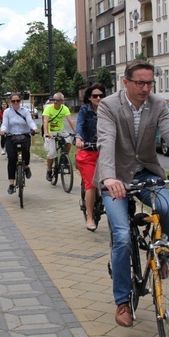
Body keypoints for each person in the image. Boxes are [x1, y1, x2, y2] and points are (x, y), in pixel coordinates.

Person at [95, 60, 169, 328]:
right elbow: (106, 141)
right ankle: (122, 302)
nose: (145, 88)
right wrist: (108, 177)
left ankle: (160, 248)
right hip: (115, 176)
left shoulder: (158, 104)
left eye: (149, 83)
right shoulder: (109, 105)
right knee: (121, 236)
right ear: (126, 82)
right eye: (140, 83)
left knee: (167, 209)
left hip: (146, 173)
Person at [75, 83, 106, 231]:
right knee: (91, 184)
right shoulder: (84, 110)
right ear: (89, 97)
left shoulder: (107, 111)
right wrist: (79, 138)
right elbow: (79, 125)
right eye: (95, 96)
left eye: (101, 95)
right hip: (87, 152)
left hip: (103, 152)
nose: (98, 98)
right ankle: (89, 217)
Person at [0, 93, 38, 194]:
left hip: (24, 135)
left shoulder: (25, 111)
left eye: (17, 101)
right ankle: (11, 184)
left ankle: (26, 167)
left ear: (20, 101)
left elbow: (30, 121)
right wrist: (3, 130)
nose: (16, 103)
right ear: (10, 102)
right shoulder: (7, 112)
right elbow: (4, 123)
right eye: (13, 101)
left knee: (26, 151)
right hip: (11, 137)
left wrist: (34, 128)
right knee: (12, 158)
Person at [42, 92, 76, 182]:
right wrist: (46, 133)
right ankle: (49, 170)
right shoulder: (48, 108)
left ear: (62, 101)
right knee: (52, 153)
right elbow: (45, 121)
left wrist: (77, 132)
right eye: (54, 100)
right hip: (50, 132)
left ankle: (65, 158)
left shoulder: (65, 109)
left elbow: (71, 121)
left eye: (57, 100)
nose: (55, 102)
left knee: (68, 141)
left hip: (61, 131)